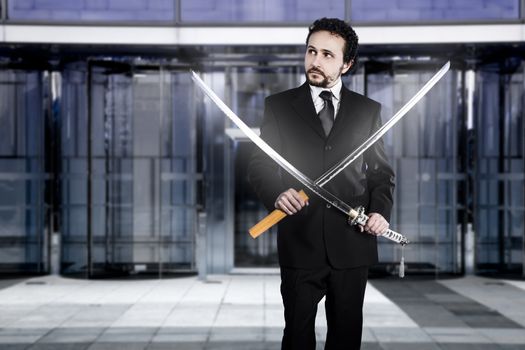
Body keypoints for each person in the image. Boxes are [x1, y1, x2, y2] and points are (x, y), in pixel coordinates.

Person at [247, 18, 395, 350]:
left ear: (347, 64)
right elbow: (260, 165)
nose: (315, 61)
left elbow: (381, 173)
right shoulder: (279, 106)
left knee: (345, 338)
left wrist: (380, 212)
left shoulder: (367, 111)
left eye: (328, 55)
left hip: (352, 242)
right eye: (311, 51)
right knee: (297, 337)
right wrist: (276, 193)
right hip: (301, 240)